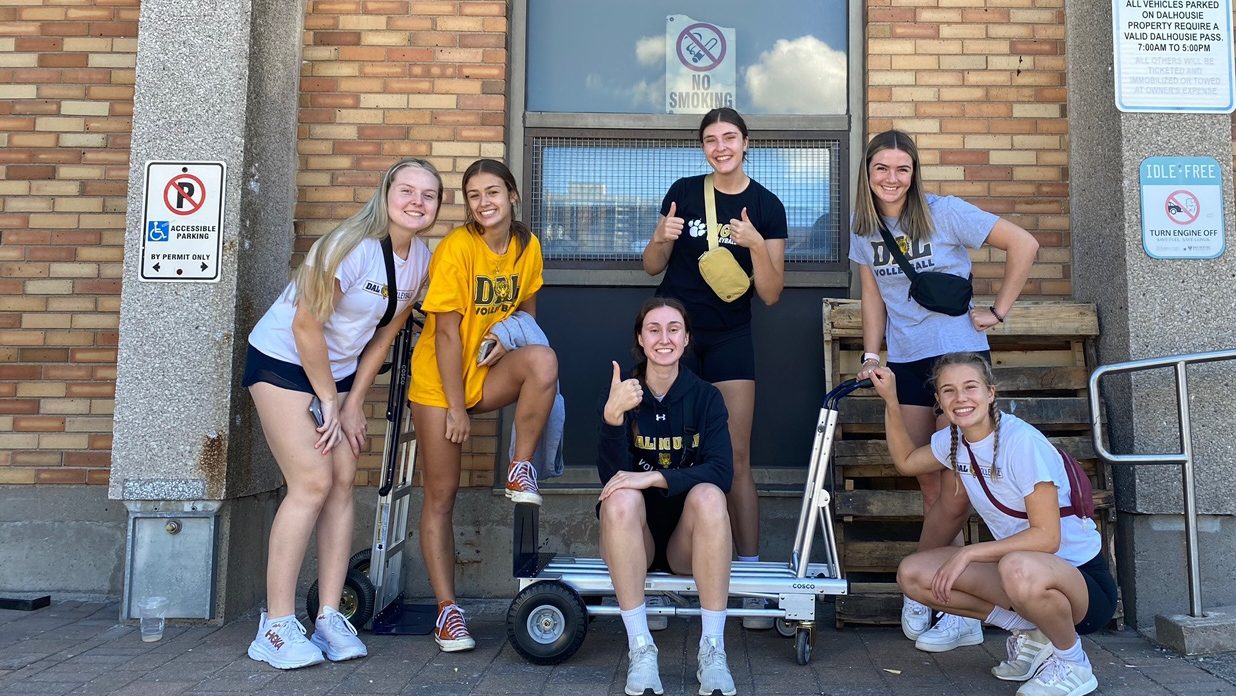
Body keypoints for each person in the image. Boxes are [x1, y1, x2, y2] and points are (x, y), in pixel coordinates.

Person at [243, 158, 441, 669]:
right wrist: (328, 399)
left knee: (342, 480)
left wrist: (352, 403)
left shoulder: (420, 258)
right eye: (407, 190)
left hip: (340, 377)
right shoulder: (350, 245)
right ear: (386, 193)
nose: (417, 201)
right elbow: (307, 325)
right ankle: (277, 625)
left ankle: (329, 615)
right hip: (284, 361)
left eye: (429, 195)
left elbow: (385, 337)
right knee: (310, 480)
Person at [848, 128, 1040, 645]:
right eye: (881, 168)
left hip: (957, 359)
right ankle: (950, 604)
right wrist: (872, 353)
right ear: (867, 173)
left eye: (901, 169)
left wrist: (998, 311)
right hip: (908, 361)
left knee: (958, 489)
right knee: (931, 484)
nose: (892, 178)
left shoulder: (945, 211)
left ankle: (936, 597)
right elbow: (873, 296)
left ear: (914, 174)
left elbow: (1024, 243)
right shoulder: (863, 229)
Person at [872, 352, 1116, 696]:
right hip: (1020, 576)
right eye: (949, 391)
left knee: (1016, 566)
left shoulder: (1022, 443)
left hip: (1083, 586)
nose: (960, 398)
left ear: (991, 393)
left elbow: (1046, 538)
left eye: (970, 387)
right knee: (913, 574)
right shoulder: (955, 442)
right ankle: (1029, 631)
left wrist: (968, 553)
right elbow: (907, 461)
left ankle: (1073, 664)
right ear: (939, 400)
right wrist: (892, 401)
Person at [641, 107, 787, 629]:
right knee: (666, 453)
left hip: (730, 338)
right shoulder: (683, 188)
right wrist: (661, 235)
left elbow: (770, 293)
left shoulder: (765, 206)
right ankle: (658, 577)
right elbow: (652, 266)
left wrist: (753, 248)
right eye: (710, 139)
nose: (720, 146)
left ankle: (745, 578)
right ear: (702, 146)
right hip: (673, 340)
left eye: (729, 138)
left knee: (737, 455)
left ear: (747, 142)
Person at [409, 158, 558, 653]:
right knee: (442, 495)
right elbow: (447, 333)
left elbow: (527, 313)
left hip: (486, 368)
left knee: (542, 361)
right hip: (439, 381)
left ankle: (521, 468)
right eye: (473, 195)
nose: (483, 202)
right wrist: (455, 408)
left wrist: (506, 336)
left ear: (512, 195)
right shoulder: (455, 248)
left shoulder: (527, 245)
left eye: (492, 191)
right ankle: (447, 612)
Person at [598, 297, 737, 696]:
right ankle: (641, 650)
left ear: (686, 338)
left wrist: (655, 477)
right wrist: (612, 418)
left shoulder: (706, 396)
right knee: (622, 497)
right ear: (640, 339)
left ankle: (713, 649)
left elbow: (722, 471)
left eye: (673, 329)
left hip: (685, 545)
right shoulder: (623, 392)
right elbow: (611, 478)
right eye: (654, 329)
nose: (664, 338)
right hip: (630, 538)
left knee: (710, 496)